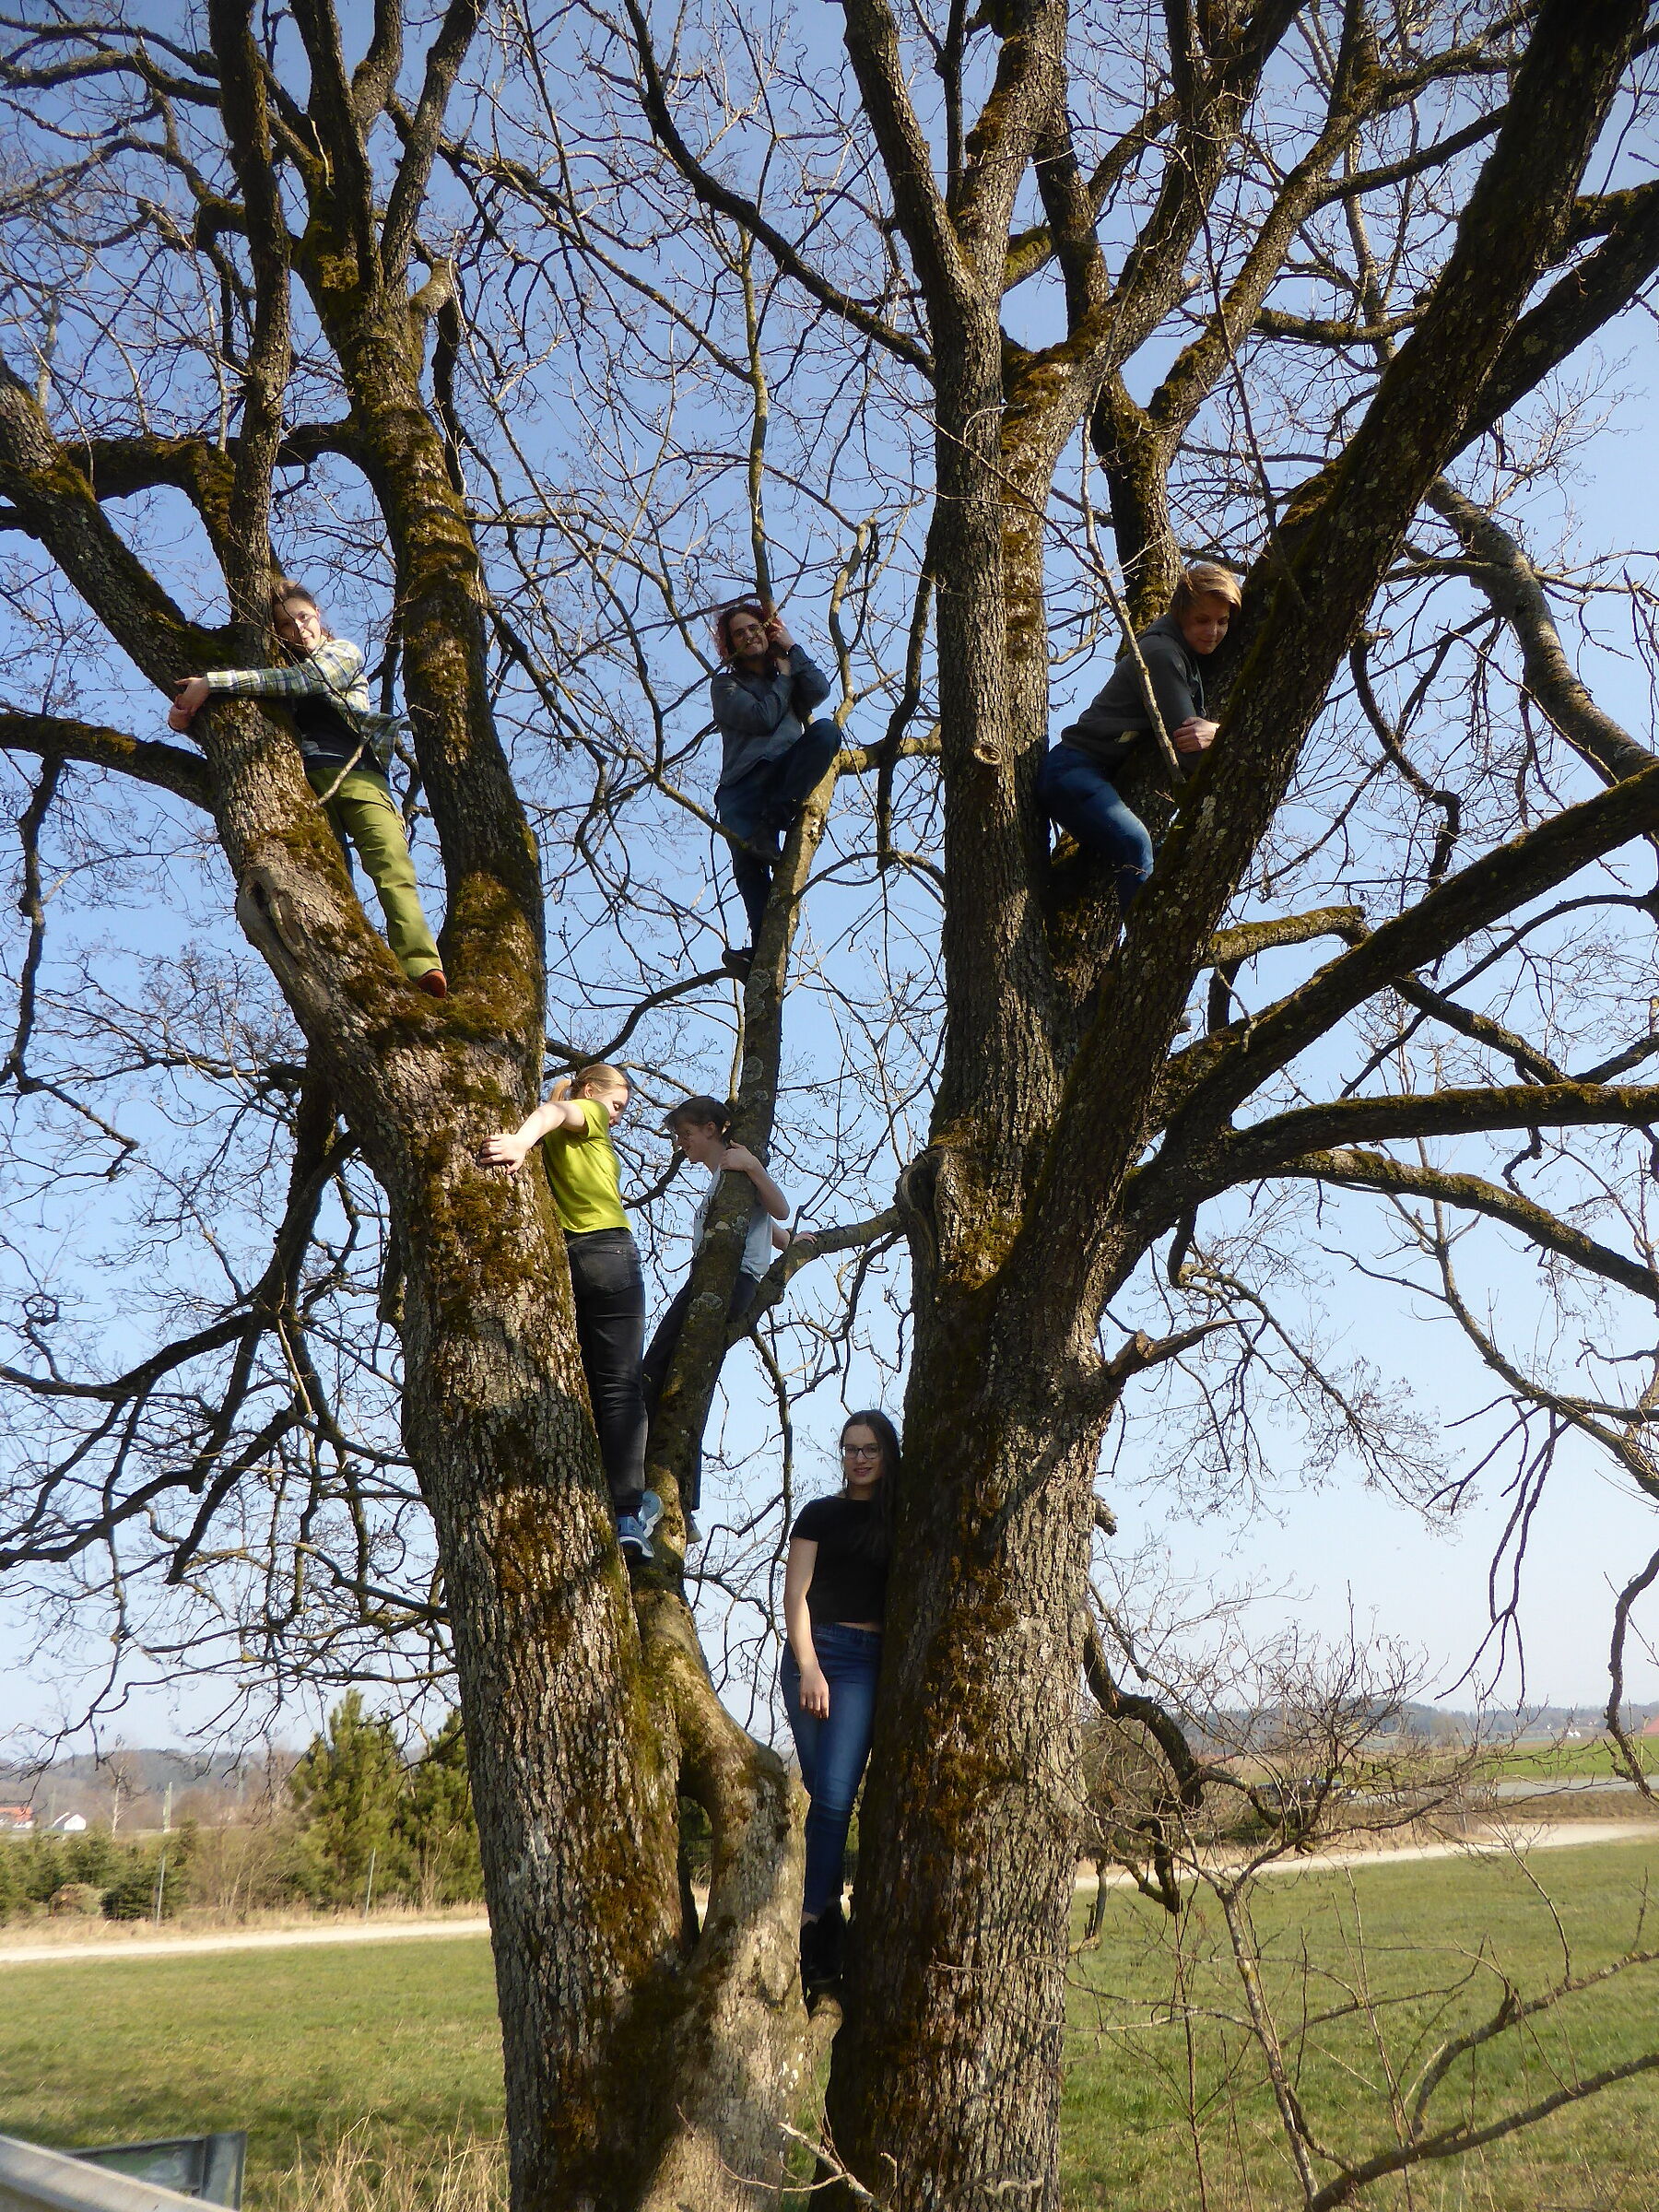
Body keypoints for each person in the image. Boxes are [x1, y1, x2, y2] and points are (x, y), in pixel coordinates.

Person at [170, 582, 447, 997]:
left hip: (355, 771)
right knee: (325, 882)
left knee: (391, 863)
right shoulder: (265, 671)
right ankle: (357, 973)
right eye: (285, 624)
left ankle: (421, 965)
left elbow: (304, 681)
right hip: (298, 784)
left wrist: (213, 682)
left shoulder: (342, 652)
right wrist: (184, 712)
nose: (298, 629)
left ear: (317, 615)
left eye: (303, 617)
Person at [477, 1065, 661, 1560]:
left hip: (571, 1258)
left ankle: (609, 1488)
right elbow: (555, 1109)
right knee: (622, 1384)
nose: (617, 1116)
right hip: (610, 1252)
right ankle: (628, 1512)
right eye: (617, 1104)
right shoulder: (588, 1112)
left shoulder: (571, 1134)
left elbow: (555, 1115)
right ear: (590, 1090)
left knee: (596, 1380)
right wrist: (518, 1141)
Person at [1039, 561, 1242, 915]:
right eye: (1202, 620)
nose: (1213, 632)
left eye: (1222, 622)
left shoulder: (1187, 652)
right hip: (1073, 771)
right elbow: (1189, 752)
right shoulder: (1162, 654)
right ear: (1180, 614)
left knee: (1169, 854)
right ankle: (1140, 949)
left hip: (1100, 776)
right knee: (1136, 843)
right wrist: (1226, 737)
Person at [641, 1097, 795, 1535]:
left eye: (686, 1134)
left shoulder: (736, 1168)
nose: (682, 1144)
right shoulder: (719, 1183)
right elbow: (774, 1225)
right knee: (680, 1378)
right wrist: (790, 1243)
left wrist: (752, 1167)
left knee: (654, 1374)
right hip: (711, 1278)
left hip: (730, 1280)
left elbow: (779, 1207)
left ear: (711, 1129)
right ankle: (681, 1500)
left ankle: (667, 1496)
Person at [782, 1409, 898, 1992]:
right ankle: (825, 1939)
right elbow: (795, 1597)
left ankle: (809, 1920)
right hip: (813, 1655)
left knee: (833, 1797)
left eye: (870, 1448)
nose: (859, 1458)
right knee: (819, 1792)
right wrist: (808, 1669)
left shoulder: (898, 1516)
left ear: (886, 1453)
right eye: (851, 1448)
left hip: (863, 1663)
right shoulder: (818, 1514)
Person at [710, 600, 841, 977]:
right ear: (730, 645)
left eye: (754, 627)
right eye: (739, 632)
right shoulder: (726, 684)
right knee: (749, 866)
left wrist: (791, 647)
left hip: (784, 774)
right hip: (743, 786)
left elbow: (819, 690)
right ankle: (761, 947)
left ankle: (775, 821)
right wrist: (783, 679)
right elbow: (762, 717)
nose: (749, 635)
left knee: (827, 731)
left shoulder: (786, 671)